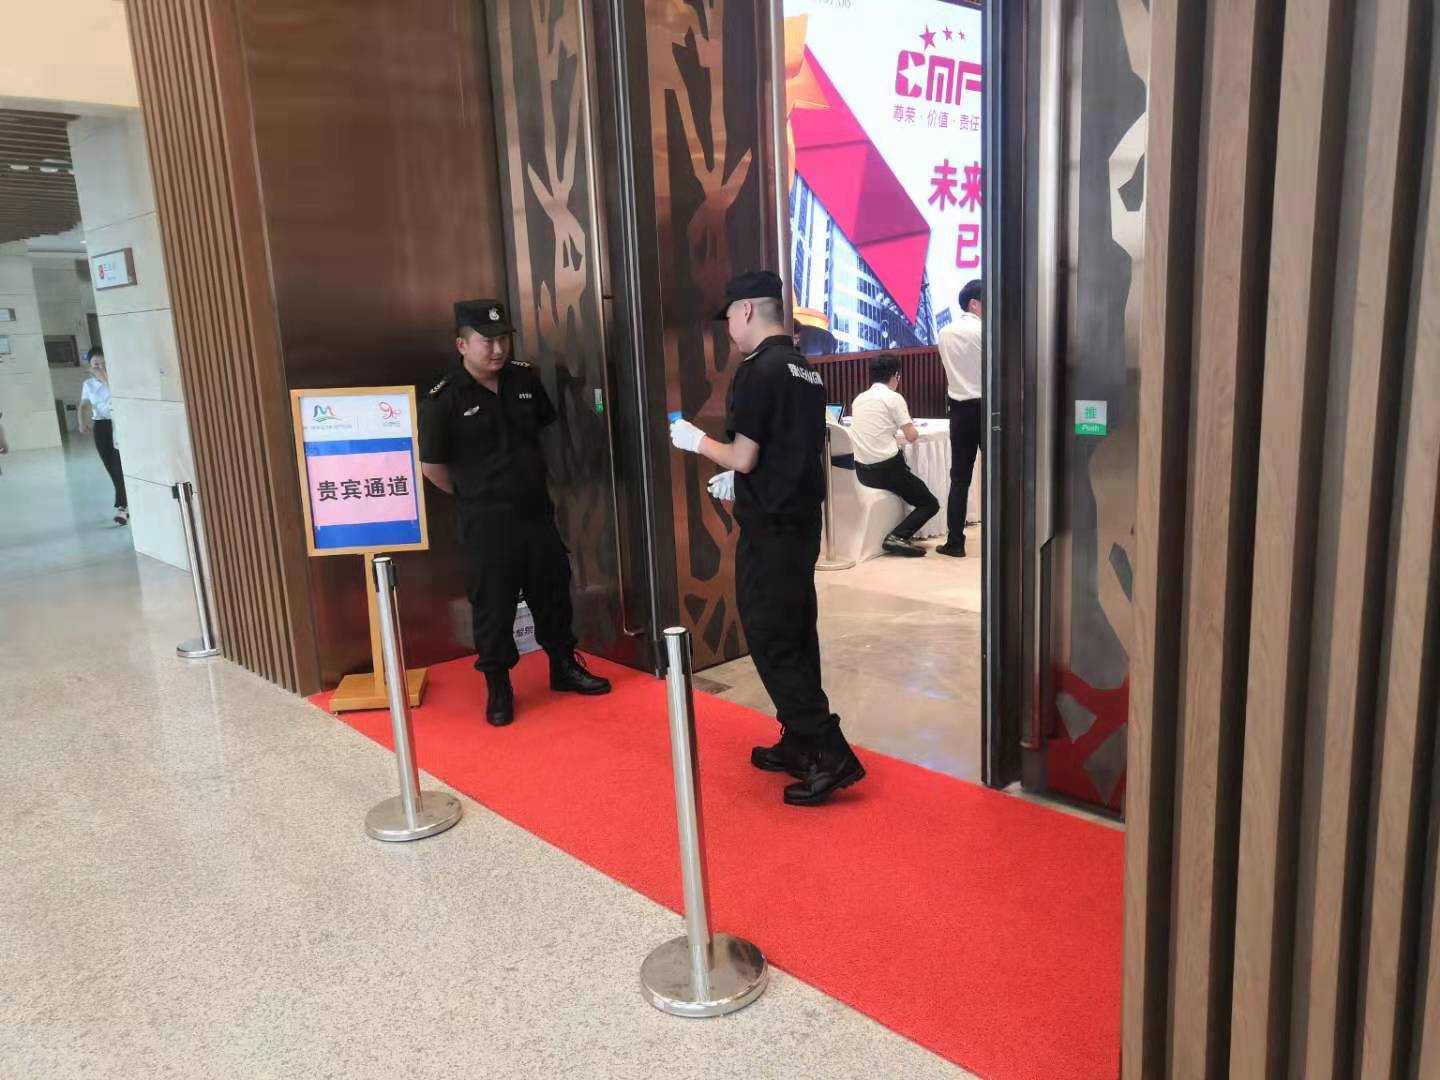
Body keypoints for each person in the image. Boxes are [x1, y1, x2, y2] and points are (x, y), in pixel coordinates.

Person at [669, 270, 865, 806]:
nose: (729, 329)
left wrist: (696, 441)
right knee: (795, 631)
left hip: (772, 529)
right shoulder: (803, 368)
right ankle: (800, 741)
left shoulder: (758, 369)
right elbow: (789, 449)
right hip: (798, 522)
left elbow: (745, 454)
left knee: (771, 636)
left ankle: (828, 752)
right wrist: (744, 480)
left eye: (730, 317)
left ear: (748, 310)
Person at [419, 299, 610, 727]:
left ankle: (563, 665)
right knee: (494, 604)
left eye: (503, 339)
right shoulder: (443, 399)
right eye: (486, 341)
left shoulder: (524, 380)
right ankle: (498, 685)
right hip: (486, 523)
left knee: (552, 592)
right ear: (461, 345)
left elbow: (543, 434)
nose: (497, 349)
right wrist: (474, 494)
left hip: (535, 513)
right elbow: (432, 468)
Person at [849, 354, 939, 556]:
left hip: (862, 471)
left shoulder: (859, 399)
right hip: (888, 471)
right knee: (930, 503)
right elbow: (911, 436)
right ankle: (898, 536)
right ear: (896, 375)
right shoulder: (893, 398)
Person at [935, 279, 983, 557]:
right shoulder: (986, 331)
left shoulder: (944, 333)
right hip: (989, 409)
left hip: (959, 412)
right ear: (974, 304)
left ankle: (955, 542)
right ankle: (1004, 538)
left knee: (959, 478)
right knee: (999, 474)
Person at [77, 348, 128, 526]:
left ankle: (122, 508)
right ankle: (124, 503)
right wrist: (81, 422)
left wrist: (105, 378)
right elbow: (84, 404)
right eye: (96, 364)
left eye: (104, 364)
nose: (100, 367)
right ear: (90, 366)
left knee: (118, 465)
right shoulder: (88, 384)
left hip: (117, 424)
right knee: (110, 466)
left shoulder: (116, 381)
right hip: (101, 425)